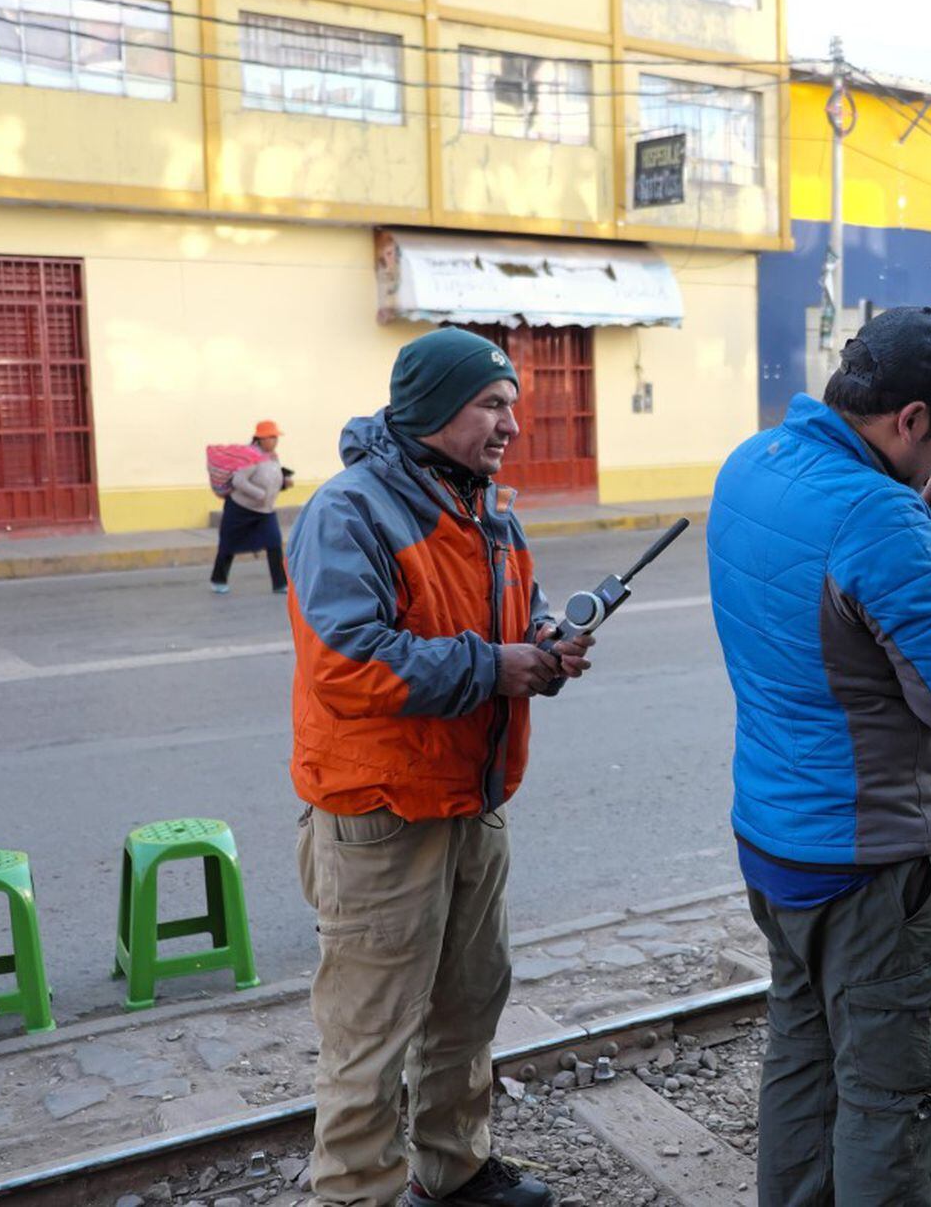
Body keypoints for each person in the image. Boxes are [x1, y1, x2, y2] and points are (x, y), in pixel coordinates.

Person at [706, 306, 931, 1206]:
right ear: (910, 420)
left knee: (802, 1061)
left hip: (772, 837)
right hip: (870, 862)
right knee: (899, 1098)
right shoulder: (880, 517)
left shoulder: (750, 465)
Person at [286, 326, 594, 1207]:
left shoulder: (486, 507)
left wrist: (543, 644)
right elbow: (347, 662)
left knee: (468, 1004)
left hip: (470, 802)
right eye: (492, 404)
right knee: (370, 1032)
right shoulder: (351, 510)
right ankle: (358, 1195)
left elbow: (514, 615)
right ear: (432, 410)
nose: (511, 424)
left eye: (512, 405)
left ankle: (453, 1172)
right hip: (382, 814)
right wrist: (493, 666)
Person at [210, 420, 291, 594]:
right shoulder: (250, 456)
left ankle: (280, 584)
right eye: (271, 437)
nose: (275, 441)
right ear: (260, 439)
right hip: (240, 509)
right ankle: (218, 580)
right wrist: (260, 494)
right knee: (228, 544)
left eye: (276, 437)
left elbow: (270, 477)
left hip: (264, 511)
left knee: (274, 543)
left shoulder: (273, 456)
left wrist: (283, 482)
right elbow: (239, 480)